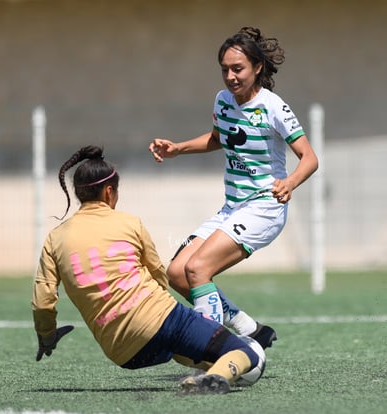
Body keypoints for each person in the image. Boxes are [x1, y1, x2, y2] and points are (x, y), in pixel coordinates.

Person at [31, 145, 263, 395]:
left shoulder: (54, 239)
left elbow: (43, 302)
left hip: (123, 352)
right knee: (248, 354)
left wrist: (47, 336)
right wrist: (167, 317)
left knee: (182, 349)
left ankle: (207, 370)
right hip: (163, 320)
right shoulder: (129, 223)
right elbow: (158, 275)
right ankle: (217, 377)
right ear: (109, 192)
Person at [149, 26, 319, 345]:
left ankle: (210, 351)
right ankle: (249, 329)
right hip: (232, 207)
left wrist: (291, 182)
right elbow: (218, 139)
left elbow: (309, 157)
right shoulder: (223, 100)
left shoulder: (273, 107)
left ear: (257, 68)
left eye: (237, 69)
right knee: (177, 273)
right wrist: (178, 148)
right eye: (225, 69)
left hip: (264, 208)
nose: (230, 76)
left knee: (198, 268)